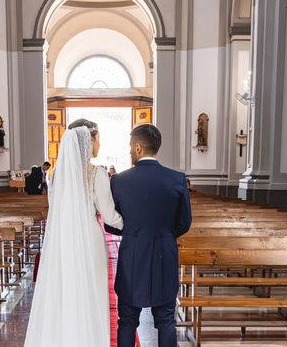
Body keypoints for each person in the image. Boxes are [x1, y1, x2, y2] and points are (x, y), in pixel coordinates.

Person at [24, 119, 123, 347]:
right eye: (99, 138)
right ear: (89, 141)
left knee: (65, 291)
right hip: (89, 238)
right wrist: (133, 225)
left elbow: (56, 208)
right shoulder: (95, 173)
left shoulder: (56, 174)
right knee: (91, 294)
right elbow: (110, 216)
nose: (100, 143)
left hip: (62, 239)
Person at [105, 124, 192, 347]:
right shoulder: (177, 179)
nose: (129, 151)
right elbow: (184, 223)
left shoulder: (120, 181)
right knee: (165, 321)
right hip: (165, 255)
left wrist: (132, 231)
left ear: (137, 147)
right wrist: (164, 234)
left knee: (126, 321)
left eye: (130, 147)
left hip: (132, 256)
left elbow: (113, 225)